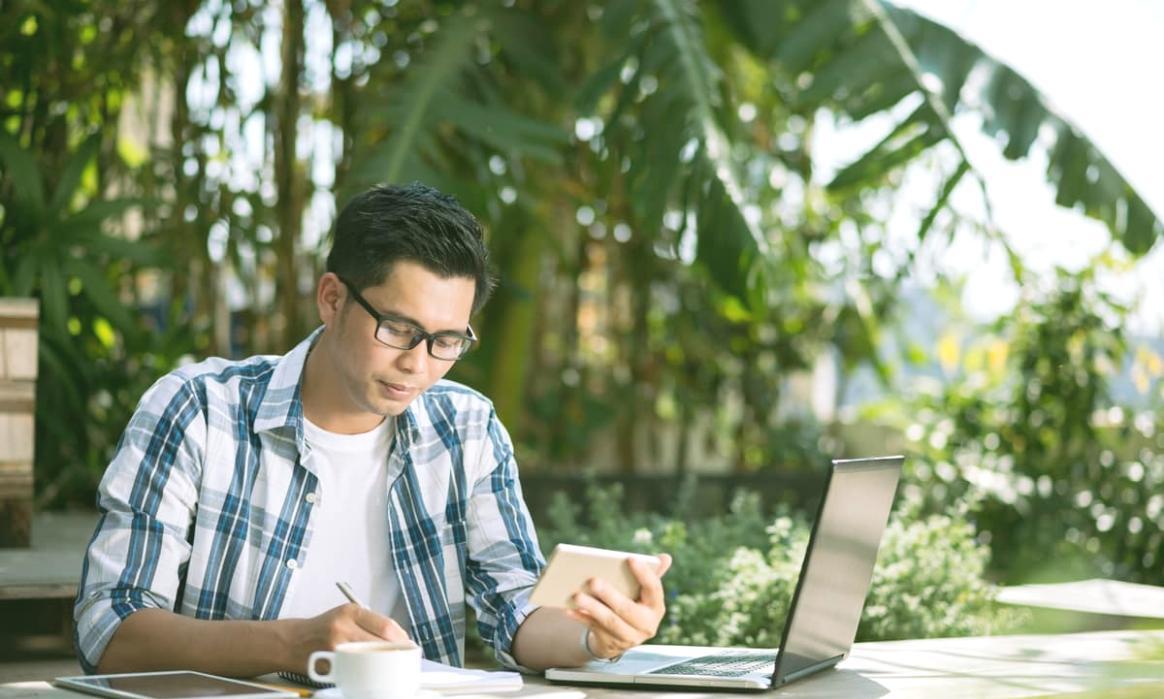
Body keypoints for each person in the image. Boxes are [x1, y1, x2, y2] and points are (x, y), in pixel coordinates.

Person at [75, 182, 672, 677]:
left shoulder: (466, 428)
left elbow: (512, 611)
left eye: (446, 341)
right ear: (332, 299)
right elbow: (112, 628)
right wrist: (292, 645)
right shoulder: (199, 411)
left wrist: (596, 636)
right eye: (397, 328)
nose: (418, 363)